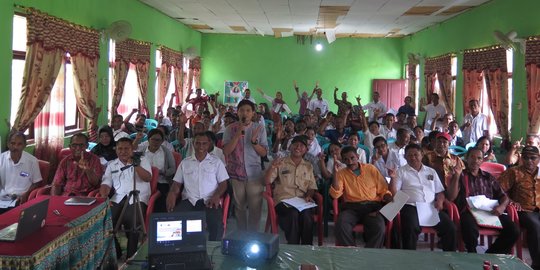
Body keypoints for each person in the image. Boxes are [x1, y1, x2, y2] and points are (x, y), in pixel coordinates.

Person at [446, 147, 519, 254]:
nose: (475, 160)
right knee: (469, 229)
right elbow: (451, 197)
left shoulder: (488, 177)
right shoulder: (461, 175)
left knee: (514, 230)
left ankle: (491, 254)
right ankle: (473, 254)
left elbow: (503, 196)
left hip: (490, 212)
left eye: (479, 158)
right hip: (469, 212)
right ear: (467, 158)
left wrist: (502, 206)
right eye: (472, 157)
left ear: (482, 160)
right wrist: (456, 176)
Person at [389, 143, 457, 251]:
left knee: (450, 228)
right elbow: (394, 193)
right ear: (405, 157)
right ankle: (410, 259)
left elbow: (440, 192)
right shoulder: (401, 172)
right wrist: (392, 178)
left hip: (431, 207)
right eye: (409, 155)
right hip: (411, 206)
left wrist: (439, 201)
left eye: (416, 154)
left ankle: (450, 258)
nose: (413, 157)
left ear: (422, 154)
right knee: (410, 228)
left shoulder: (431, 171)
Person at [166, 132, 229, 241]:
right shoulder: (185, 163)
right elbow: (177, 184)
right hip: (190, 200)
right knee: (174, 221)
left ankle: (213, 250)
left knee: (217, 225)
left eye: (204, 144)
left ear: (208, 145)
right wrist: (172, 194)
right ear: (193, 144)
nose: (201, 146)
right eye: (198, 143)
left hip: (209, 200)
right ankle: (178, 251)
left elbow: (224, 183)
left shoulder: (216, 162)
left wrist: (216, 195)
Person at [99, 137, 152, 258]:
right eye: (120, 149)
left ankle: (131, 255)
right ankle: (116, 251)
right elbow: (106, 183)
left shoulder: (142, 160)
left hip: (138, 197)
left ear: (132, 149)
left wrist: (135, 165)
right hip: (118, 198)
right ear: (116, 150)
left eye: (127, 148)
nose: (123, 151)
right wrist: (104, 196)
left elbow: (148, 178)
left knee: (132, 221)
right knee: (105, 220)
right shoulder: (112, 164)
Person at [330, 146, 392, 247]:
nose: (349, 162)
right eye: (346, 159)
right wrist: (335, 174)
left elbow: (383, 190)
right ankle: (352, 254)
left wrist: (387, 197)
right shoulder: (341, 173)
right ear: (342, 161)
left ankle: (369, 255)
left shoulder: (370, 168)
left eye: (352, 158)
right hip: (352, 208)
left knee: (379, 227)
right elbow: (335, 194)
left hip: (372, 207)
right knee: (341, 224)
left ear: (358, 156)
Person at [223, 100, 268, 231]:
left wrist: (254, 143)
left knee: (255, 208)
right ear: (237, 113)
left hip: (254, 175)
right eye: (242, 110)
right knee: (239, 208)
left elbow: (264, 152)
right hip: (236, 174)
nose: (245, 113)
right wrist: (238, 135)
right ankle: (242, 235)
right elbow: (226, 151)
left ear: (253, 113)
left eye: (248, 110)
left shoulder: (259, 128)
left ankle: (253, 236)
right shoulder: (230, 129)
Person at [265, 135, 318, 245]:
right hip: (284, 201)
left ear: (306, 150)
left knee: (307, 216)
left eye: (302, 146)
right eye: (295, 144)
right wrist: (272, 167)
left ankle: (306, 248)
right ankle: (293, 246)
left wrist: (309, 195)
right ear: (290, 147)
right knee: (293, 214)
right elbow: (267, 181)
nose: (298, 147)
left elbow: (311, 186)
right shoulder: (280, 162)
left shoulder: (308, 166)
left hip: (302, 201)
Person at [498, 146, 540, 270]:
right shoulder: (514, 172)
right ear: (521, 158)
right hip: (523, 210)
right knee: (535, 226)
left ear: (538, 159)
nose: (529, 161)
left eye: (533, 158)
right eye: (526, 158)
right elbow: (498, 190)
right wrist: (511, 201)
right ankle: (537, 264)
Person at [135, 129, 176, 213]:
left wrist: (163, 172)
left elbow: (172, 169)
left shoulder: (166, 151)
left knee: (160, 201)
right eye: (153, 139)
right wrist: (137, 139)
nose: (155, 142)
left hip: (161, 181)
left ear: (162, 141)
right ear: (148, 140)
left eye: (158, 140)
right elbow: (132, 151)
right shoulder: (143, 151)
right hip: (144, 181)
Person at [0, 132, 43, 212]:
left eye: (19, 144)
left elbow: (36, 182)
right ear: (8, 144)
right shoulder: (1, 158)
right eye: (12, 143)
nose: (15, 147)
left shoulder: (32, 161)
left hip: (21, 199)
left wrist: (26, 194)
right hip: (3, 198)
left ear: (24, 146)